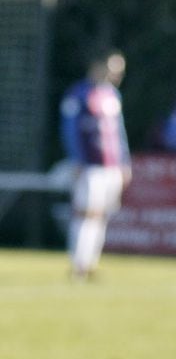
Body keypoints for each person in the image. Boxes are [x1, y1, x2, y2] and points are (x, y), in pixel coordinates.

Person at [60, 49, 132, 279]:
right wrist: (77, 159)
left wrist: (124, 162)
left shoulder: (112, 95)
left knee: (101, 215)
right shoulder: (79, 94)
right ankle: (78, 263)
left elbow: (118, 133)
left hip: (110, 167)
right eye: (113, 68)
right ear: (98, 66)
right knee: (85, 213)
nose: (117, 74)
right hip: (89, 165)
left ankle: (90, 263)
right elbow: (70, 129)